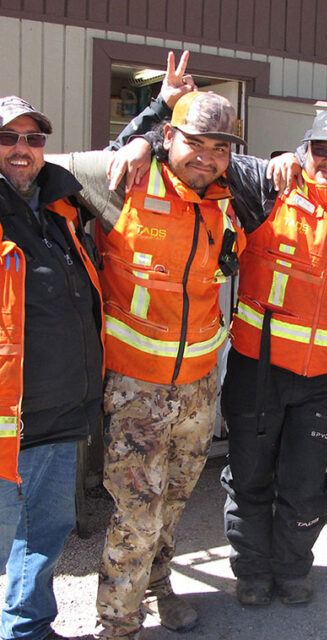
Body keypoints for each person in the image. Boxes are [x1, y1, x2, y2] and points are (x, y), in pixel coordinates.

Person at [109, 97, 327, 605]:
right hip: (257, 369)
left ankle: (293, 570)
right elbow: (195, 161)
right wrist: (144, 134)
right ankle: (251, 572)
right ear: (304, 150)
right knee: (250, 477)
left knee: (303, 485)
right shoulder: (264, 188)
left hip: (319, 379)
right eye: (320, 150)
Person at [52, 78, 247, 637]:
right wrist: (132, 139)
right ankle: (119, 625)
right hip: (137, 389)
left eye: (220, 147)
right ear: (168, 137)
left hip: (197, 387)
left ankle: (158, 584)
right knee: (136, 514)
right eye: (195, 144)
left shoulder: (229, 193)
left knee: (175, 503)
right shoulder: (121, 180)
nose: (207, 158)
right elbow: (39, 164)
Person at [0, 96, 104, 640]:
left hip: (61, 410)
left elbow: (117, 154)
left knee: (45, 532)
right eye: (9, 137)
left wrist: (159, 109)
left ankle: (28, 629)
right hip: (5, 418)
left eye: (33, 139)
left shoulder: (61, 209)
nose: (22, 148)